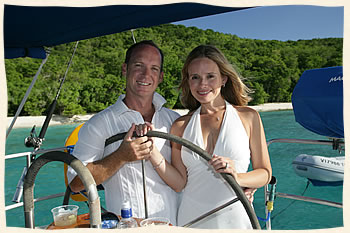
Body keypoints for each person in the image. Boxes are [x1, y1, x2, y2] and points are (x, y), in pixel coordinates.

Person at [139, 44, 272, 229]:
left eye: (210, 76)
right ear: (188, 81)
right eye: (195, 77)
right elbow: (179, 183)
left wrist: (238, 177)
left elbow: (265, 173)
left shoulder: (248, 117)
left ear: (224, 79)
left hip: (237, 218)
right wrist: (153, 152)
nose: (203, 84)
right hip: (192, 219)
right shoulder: (180, 126)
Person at [66, 40, 180, 225]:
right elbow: (76, 183)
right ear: (125, 69)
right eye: (138, 65)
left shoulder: (174, 121)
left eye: (154, 69)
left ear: (161, 77)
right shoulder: (99, 124)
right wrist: (121, 156)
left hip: (174, 224)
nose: (145, 74)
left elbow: (194, 173)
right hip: (126, 226)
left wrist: (244, 185)